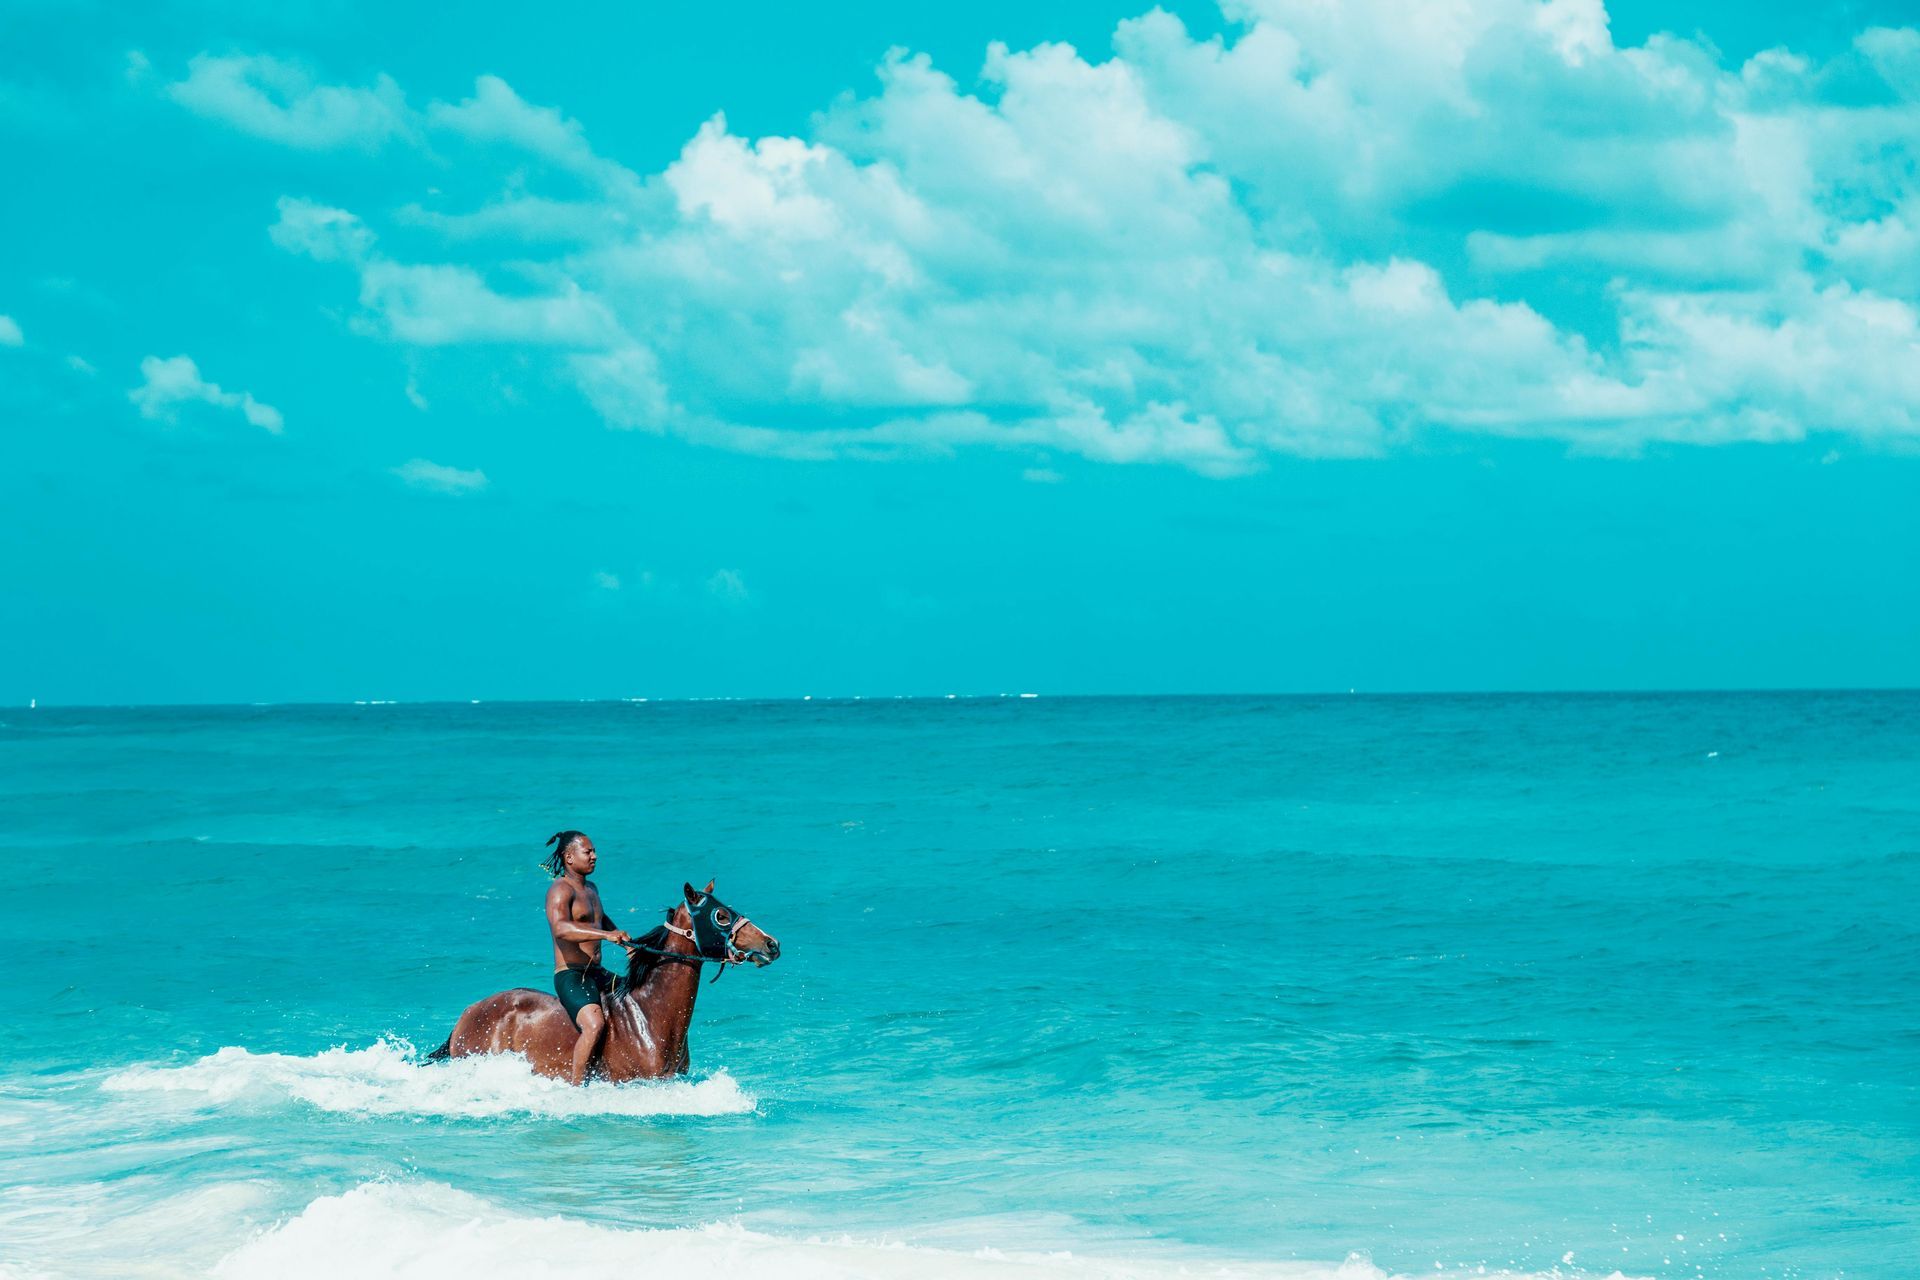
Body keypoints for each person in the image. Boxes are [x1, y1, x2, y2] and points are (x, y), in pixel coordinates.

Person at [543, 831, 631, 1084]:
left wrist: (626, 944)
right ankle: (577, 1088)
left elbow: (598, 918)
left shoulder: (591, 888)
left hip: (597, 973)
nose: (595, 856)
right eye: (588, 852)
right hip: (572, 975)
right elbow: (560, 928)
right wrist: (605, 935)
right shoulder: (560, 890)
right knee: (594, 1025)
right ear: (569, 857)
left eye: (594, 851)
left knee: (638, 996)